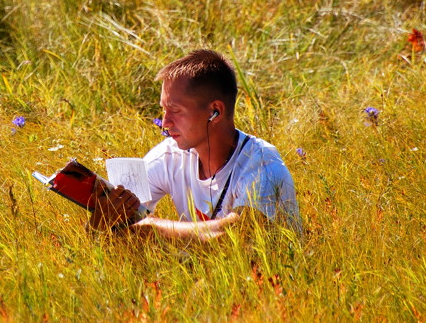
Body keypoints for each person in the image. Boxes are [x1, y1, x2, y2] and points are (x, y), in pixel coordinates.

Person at [90, 49, 300, 240]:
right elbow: (118, 222)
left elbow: (236, 237)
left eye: (176, 110)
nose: (165, 122)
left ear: (215, 111)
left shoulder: (261, 164)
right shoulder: (169, 156)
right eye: (164, 109)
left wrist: (152, 228)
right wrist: (100, 224)